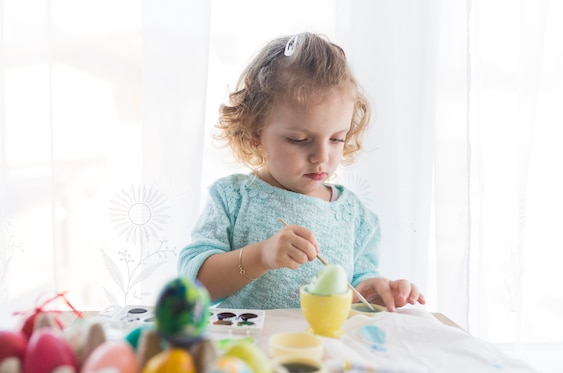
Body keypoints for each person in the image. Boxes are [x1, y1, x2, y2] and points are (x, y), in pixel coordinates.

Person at [178, 32, 425, 312]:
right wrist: (262, 256)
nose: (321, 157)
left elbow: (358, 287)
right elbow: (192, 285)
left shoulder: (357, 218)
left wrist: (374, 292)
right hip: (247, 350)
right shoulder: (232, 198)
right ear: (255, 131)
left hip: (323, 353)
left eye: (336, 139)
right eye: (298, 139)